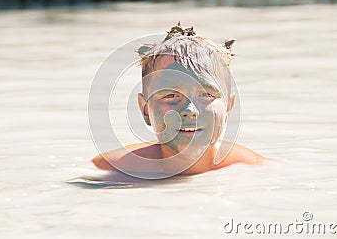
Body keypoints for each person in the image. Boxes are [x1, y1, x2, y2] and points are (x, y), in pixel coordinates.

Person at [92, 23, 265, 177]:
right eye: (171, 96)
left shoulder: (254, 171)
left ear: (228, 107)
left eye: (206, 95)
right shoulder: (110, 170)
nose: (190, 111)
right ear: (145, 110)